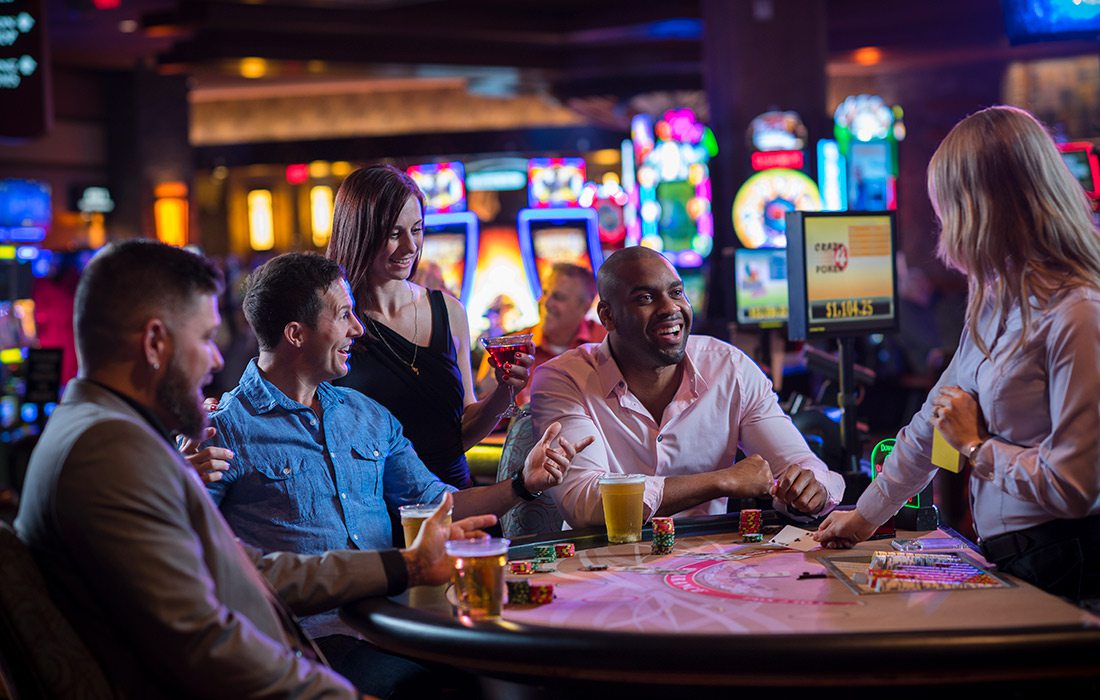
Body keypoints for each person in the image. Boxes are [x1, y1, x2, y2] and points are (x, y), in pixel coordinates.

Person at [14, 240, 495, 699]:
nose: (218, 358)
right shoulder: (109, 451)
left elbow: (247, 573)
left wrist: (408, 565)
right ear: (156, 342)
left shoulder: (95, 430)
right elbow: (205, 643)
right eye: (205, 337)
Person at [185, 252, 592, 695]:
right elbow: (194, 560)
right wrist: (181, 479)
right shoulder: (218, 430)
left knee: (515, 678)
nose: (357, 330)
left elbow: (440, 504)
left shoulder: (367, 416)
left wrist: (522, 484)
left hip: (395, 625)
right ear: (296, 334)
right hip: (304, 644)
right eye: (343, 316)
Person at [814, 106, 1100, 605]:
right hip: (1015, 554)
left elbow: (1076, 486)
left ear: (983, 206)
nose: (943, 224)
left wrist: (975, 448)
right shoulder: (995, 299)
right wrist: (864, 517)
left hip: (1068, 557)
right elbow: (933, 421)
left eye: (946, 206)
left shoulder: (1078, 313)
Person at [530, 246, 844, 528]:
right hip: (603, 568)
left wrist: (810, 490)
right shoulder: (563, 379)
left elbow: (805, 468)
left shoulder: (729, 368)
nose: (670, 308)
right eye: (645, 298)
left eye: (677, 293)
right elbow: (585, 502)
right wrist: (720, 481)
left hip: (709, 564)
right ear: (607, 316)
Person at [327, 165, 533, 489]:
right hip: (377, 513)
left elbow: (458, 435)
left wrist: (505, 390)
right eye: (394, 234)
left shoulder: (449, 311)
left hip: (455, 502)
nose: (410, 247)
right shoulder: (336, 322)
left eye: (417, 229)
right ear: (359, 232)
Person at [476, 261, 607, 406]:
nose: (546, 303)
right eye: (544, 293)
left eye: (558, 297)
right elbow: (483, 420)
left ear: (585, 306)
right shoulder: (508, 345)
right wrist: (493, 395)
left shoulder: (607, 341)